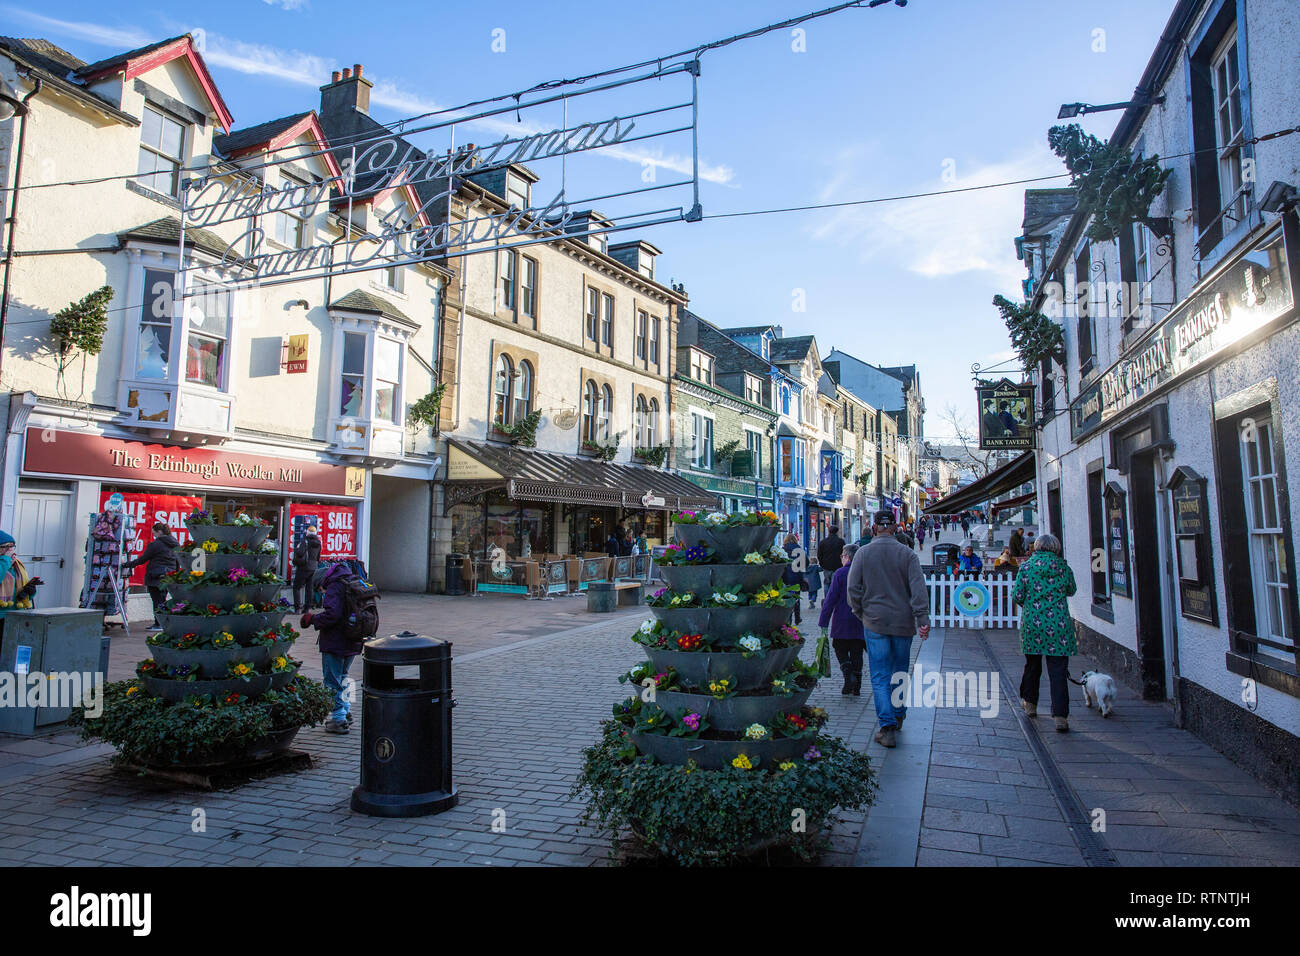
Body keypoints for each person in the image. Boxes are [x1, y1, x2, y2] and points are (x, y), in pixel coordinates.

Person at [847, 510, 931, 748]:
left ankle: (887, 727)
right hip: (903, 623)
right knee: (900, 672)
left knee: (880, 675)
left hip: (875, 622)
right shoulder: (908, 555)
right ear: (895, 528)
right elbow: (918, 591)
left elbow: (852, 589)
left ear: (875, 528)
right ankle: (898, 713)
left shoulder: (863, 553)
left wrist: (860, 613)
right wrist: (922, 618)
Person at [1011, 533, 1077, 732]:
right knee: (1058, 671)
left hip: (1034, 624)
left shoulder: (1027, 567)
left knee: (1032, 665)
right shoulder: (1062, 567)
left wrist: (1032, 604)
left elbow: (1017, 595)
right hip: (1058, 624)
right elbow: (1071, 589)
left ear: (1036, 547)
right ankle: (1060, 716)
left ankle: (1030, 704)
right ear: (1055, 548)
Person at [302, 562, 363, 734]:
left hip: (336, 642)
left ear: (322, 581)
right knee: (344, 677)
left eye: (320, 589)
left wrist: (313, 620)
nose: (321, 592)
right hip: (353, 639)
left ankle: (338, 719)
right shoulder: (351, 580)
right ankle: (346, 711)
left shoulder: (335, 586)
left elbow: (332, 615)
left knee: (332, 681)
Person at [819, 543, 862, 695]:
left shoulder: (840, 573)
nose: (841, 559)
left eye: (842, 556)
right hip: (860, 620)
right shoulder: (864, 572)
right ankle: (857, 685)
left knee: (840, 648)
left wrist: (823, 621)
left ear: (847, 557)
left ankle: (848, 674)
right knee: (857, 651)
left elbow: (830, 599)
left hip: (842, 620)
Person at [122, 522, 180, 627]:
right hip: (169, 576)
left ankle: (158, 623)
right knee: (162, 599)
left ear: (159, 532)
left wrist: (127, 564)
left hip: (156, 576)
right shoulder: (175, 543)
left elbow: (143, 559)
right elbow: (178, 561)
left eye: (154, 534)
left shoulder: (155, 544)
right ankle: (164, 622)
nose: (154, 536)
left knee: (157, 601)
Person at [0, 531, 42, 636]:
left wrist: (30, 592)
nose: (10, 550)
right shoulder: (6, 562)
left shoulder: (17, 565)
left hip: (17, 613)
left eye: (12, 546)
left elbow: (21, 585)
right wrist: (5, 560)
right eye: (6, 546)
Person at [292, 523, 322, 613]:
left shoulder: (305, 541)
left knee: (296, 587)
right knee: (309, 588)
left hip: (304, 567)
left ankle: (297, 608)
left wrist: (297, 549)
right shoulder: (318, 543)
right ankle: (307, 609)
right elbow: (318, 556)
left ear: (307, 533)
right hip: (313, 567)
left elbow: (300, 553)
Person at [781, 532, 804, 625]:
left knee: (786, 597)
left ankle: (788, 618)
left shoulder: (783, 550)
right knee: (796, 597)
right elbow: (803, 564)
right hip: (796, 577)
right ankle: (797, 618)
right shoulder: (800, 550)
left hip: (785, 577)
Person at [817, 524, 845, 594]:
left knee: (827, 583)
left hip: (826, 566)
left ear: (829, 532)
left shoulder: (823, 542)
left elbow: (819, 555)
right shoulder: (841, 542)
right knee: (835, 583)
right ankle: (834, 598)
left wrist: (822, 564)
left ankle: (827, 598)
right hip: (837, 565)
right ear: (837, 532)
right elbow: (844, 553)